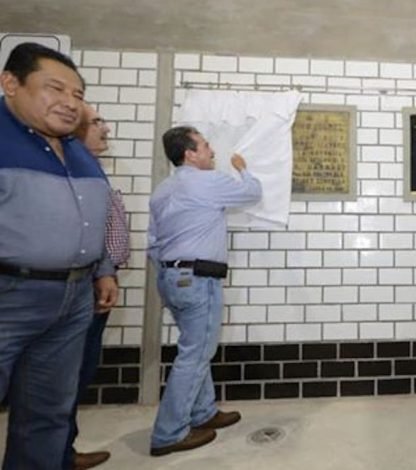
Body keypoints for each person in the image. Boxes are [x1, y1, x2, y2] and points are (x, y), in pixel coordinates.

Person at [0, 43, 118, 470]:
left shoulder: (78, 152)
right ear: (10, 83)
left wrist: (103, 270)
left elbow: (93, 218)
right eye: (56, 88)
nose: (70, 103)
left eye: (78, 95)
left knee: (48, 413)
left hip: (73, 298)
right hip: (11, 293)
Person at [147, 125, 262, 456]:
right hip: (198, 278)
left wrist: (173, 273)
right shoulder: (205, 181)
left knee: (194, 347)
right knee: (195, 354)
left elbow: (153, 242)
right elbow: (252, 192)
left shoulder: (162, 190)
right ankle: (169, 433)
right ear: (190, 154)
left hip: (171, 278)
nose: (212, 151)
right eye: (206, 146)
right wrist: (242, 168)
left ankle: (203, 412)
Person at [63, 103, 131, 470]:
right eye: (97, 122)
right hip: (78, 286)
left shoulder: (91, 169)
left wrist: (106, 272)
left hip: (96, 280)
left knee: (79, 373)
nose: (106, 129)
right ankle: (58, 454)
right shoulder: (71, 171)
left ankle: (63, 451)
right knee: (67, 376)